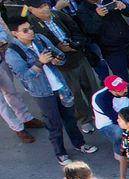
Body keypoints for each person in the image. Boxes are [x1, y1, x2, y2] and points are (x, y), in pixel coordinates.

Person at [5, 18, 96, 165]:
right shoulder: (13, 53)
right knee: (54, 124)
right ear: (15, 33)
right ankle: (60, 153)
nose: (31, 32)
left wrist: (57, 59)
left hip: (59, 85)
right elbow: (25, 77)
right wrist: (40, 62)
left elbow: (61, 57)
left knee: (70, 118)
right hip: (42, 92)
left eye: (31, 28)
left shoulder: (40, 39)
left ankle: (79, 144)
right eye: (25, 31)